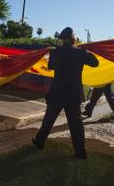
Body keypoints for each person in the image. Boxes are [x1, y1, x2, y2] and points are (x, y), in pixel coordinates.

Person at [32, 27, 99, 159]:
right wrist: (86, 50)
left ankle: (39, 142)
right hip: (73, 93)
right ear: (73, 39)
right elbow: (95, 63)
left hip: (56, 91)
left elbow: (50, 67)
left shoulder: (55, 52)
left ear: (62, 40)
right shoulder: (81, 52)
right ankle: (80, 152)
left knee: (48, 119)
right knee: (76, 124)